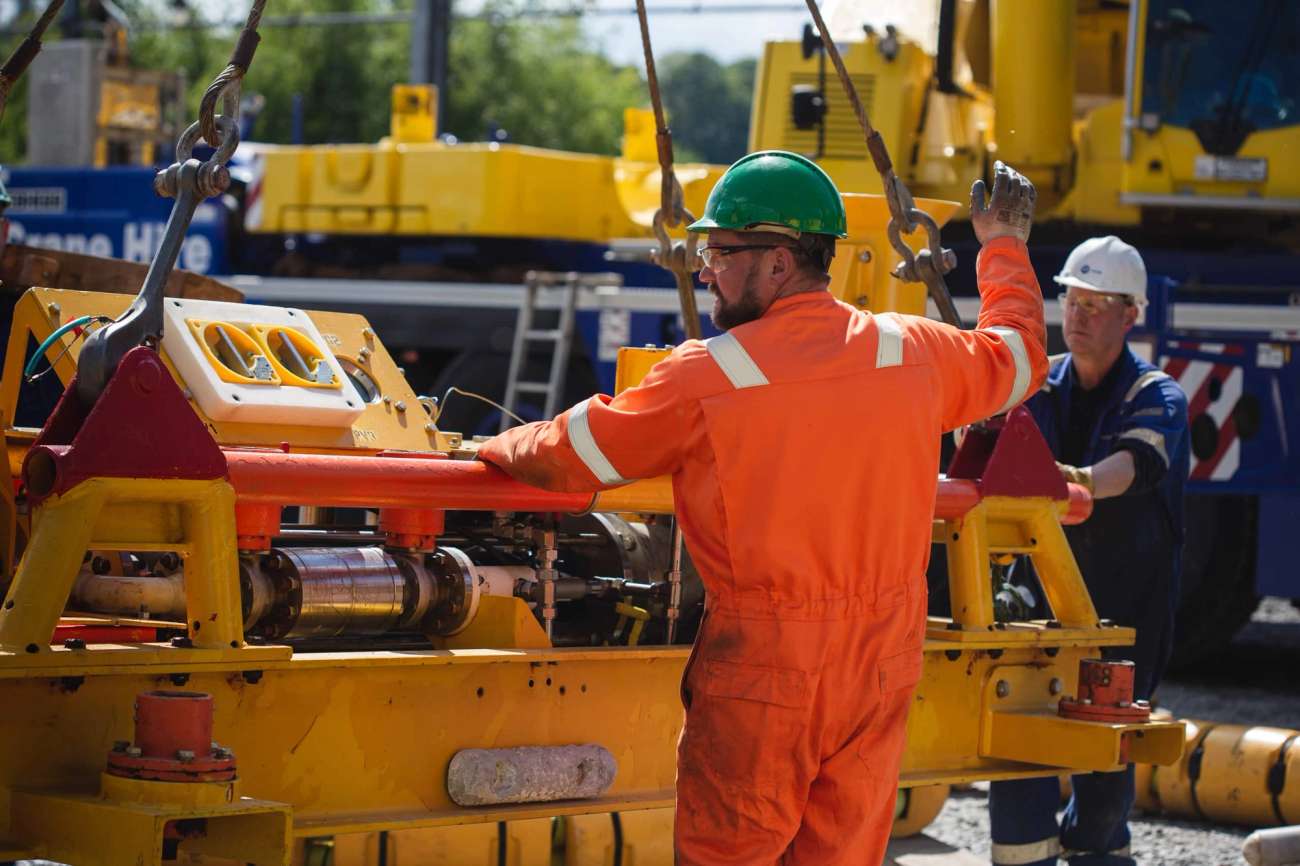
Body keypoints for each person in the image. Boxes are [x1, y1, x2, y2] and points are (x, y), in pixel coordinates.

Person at [478, 153, 1047, 865]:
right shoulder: (913, 351)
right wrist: (1004, 246)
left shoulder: (708, 376)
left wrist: (492, 446)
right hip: (881, 660)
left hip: (767, 665)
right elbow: (1020, 357)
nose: (707, 268)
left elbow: (576, 453)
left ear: (779, 261)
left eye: (722, 251)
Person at [988, 235, 1190, 866]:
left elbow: (1134, 465)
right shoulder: (1036, 383)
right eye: (1072, 299)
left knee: (1104, 774)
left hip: (1122, 615)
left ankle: (1099, 853)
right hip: (1034, 610)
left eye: (1098, 303)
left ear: (1131, 314)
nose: (1078, 315)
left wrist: (1074, 484)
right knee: (1020, 743)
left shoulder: (1157, 396)